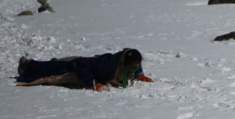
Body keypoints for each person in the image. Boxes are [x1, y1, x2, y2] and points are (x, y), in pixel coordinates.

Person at [16, 48, 153, 91]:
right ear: (122, 64)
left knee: (57, 63)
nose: (132, 72)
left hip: (90, 63)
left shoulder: (129, 59)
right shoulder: (107, 65)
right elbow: (80, 65)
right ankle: (26, 65)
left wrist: (139, 75)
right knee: (52, 70)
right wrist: (94, 83)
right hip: (77, 66)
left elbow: (135, 63)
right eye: (130, 70)